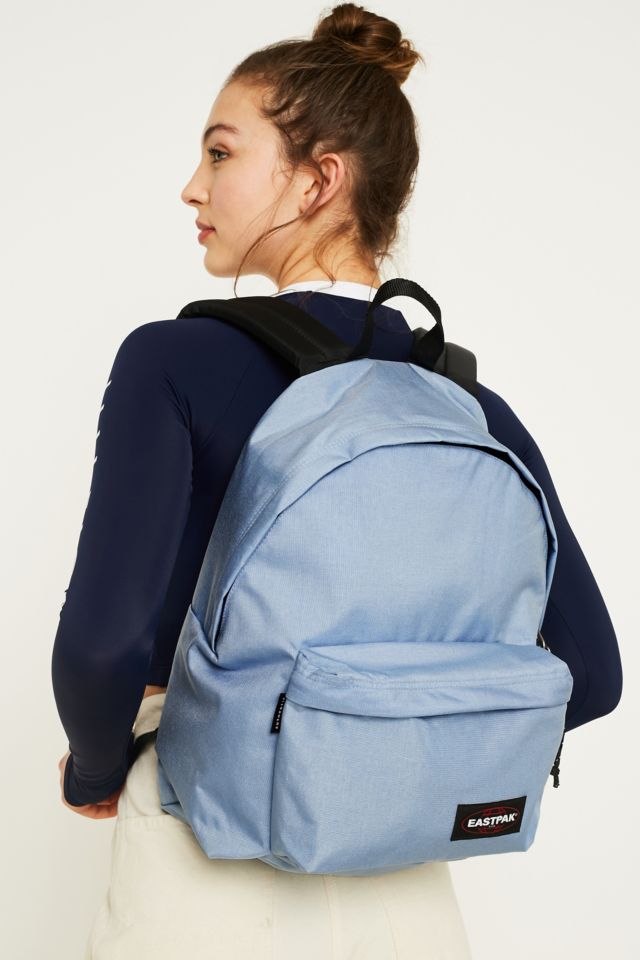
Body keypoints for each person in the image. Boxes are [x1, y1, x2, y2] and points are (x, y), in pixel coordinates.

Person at [51, 4, 623, 958]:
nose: (193, 186)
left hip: (207, 846)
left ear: (319, 179)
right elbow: (591, 673)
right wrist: (397, 747)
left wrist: (96, 769)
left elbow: (102, 647)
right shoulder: (470, 405)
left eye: (221, 154)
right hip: (406, 883)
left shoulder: (174, 362)